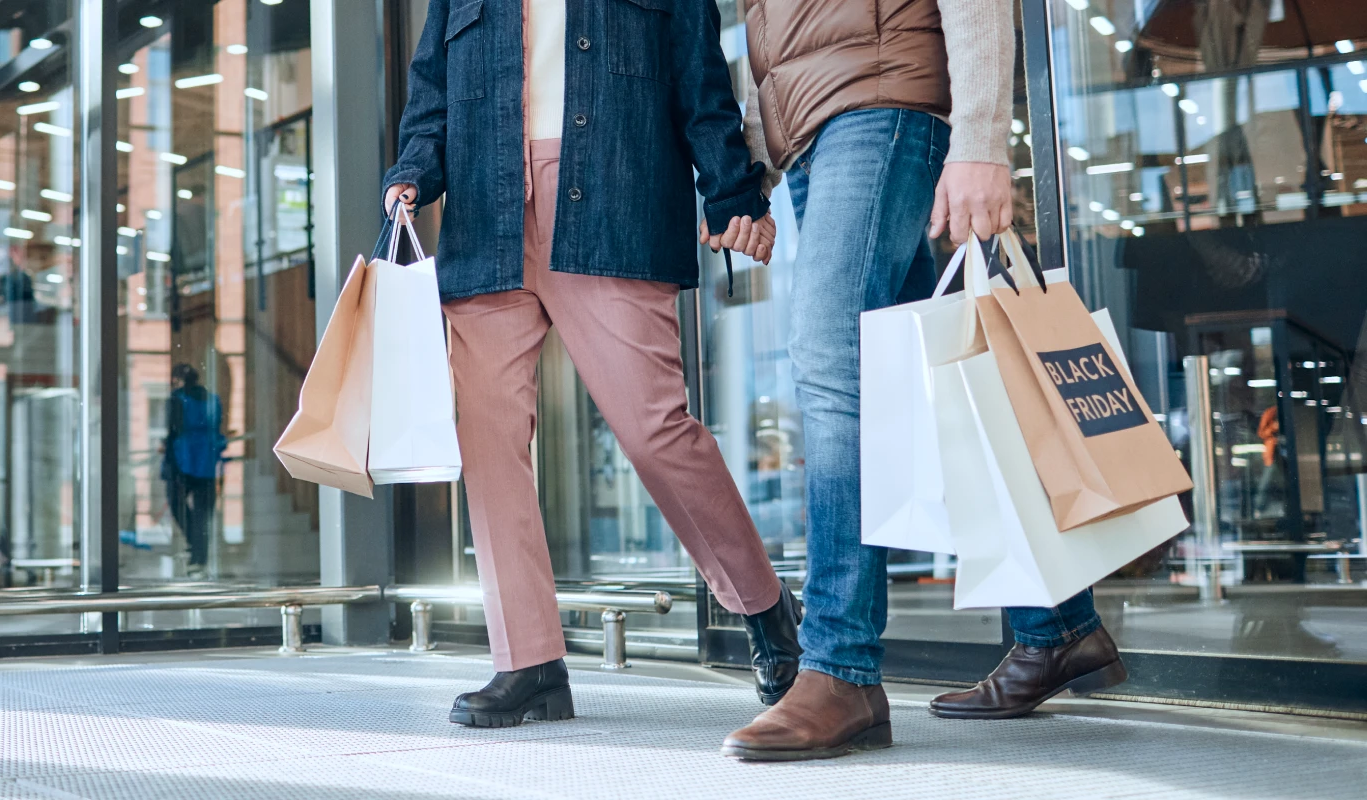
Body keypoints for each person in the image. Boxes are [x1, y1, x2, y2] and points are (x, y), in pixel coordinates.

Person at [718, 0, 1127, 762]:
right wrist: (754, 166)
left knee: (834, 371)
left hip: (883, 107)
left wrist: (980, 139)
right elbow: (779, 40)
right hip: (818, 135)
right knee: (940, 388)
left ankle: (839, 666)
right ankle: (1059, 626)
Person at [384, 0, 800, 729]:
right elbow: (432, 89)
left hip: (613, 199)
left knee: (653, 429)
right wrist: (413, 172)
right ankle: (529, 660)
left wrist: (733, 191)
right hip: (488, 215)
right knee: (489, 442)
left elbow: (700, 80)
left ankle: (764, 606)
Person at [162, 364, 225, 579]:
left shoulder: (177, 399)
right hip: (207, 461)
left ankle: (194, 547)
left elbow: (173, 430)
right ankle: (199, 559)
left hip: (183, 459)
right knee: (202, 515)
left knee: (176, 503)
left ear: (178, 380)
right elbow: (217, 427)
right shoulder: (213, 400)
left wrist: (168, 460)